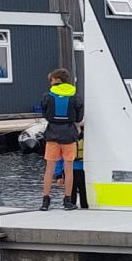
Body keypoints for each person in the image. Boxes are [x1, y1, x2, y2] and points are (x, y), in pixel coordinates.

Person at [38, 68, 84, 211]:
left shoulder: (48, 96)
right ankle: (68, 201)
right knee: (68, 168)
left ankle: (45, 201)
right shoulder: (75, 96)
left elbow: (45, 114)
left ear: (56, 79)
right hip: (69, 135)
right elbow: (79, 117)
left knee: (49, 169)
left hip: (52, 133)